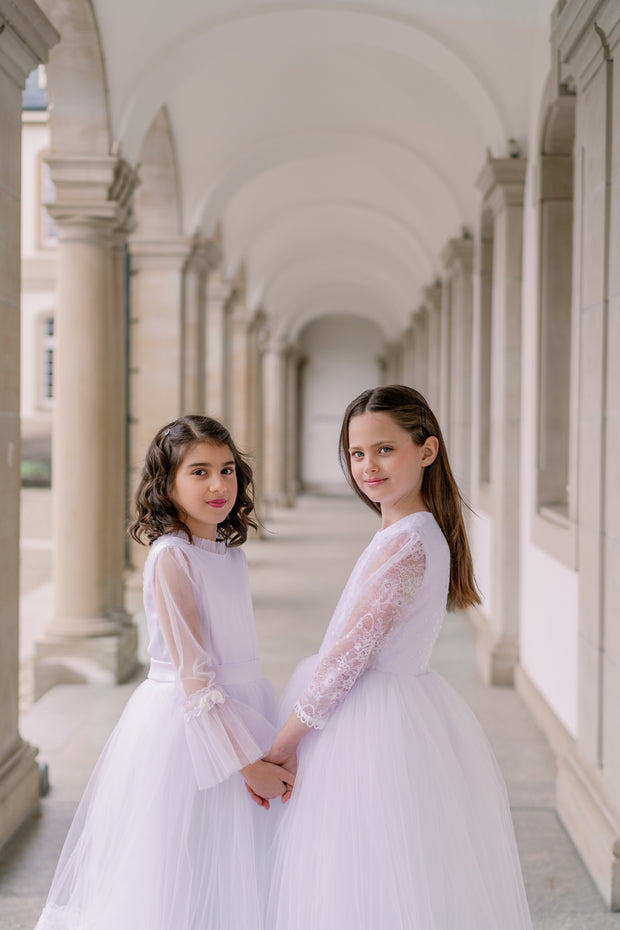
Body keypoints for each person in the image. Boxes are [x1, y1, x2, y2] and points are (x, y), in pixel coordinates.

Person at [260, 385, 533, 930]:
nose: (368, 466)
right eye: (357, 453)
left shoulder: (407, 540)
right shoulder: (404, 530)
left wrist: (284, 744)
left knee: (361, 874)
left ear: (427, 451)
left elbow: (347, 657)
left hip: (370, 720)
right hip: (390, 706)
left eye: (385, 449)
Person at [35, 415, 293, 930]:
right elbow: (196, 680)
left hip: (243, 708)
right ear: (167, 484)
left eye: (226, 470)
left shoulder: (228, 555)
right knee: (183, 867)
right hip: (191, 728)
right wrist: (247, 764)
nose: (219, 485)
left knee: (237, 866)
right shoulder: (172, 557)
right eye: (199, 472)